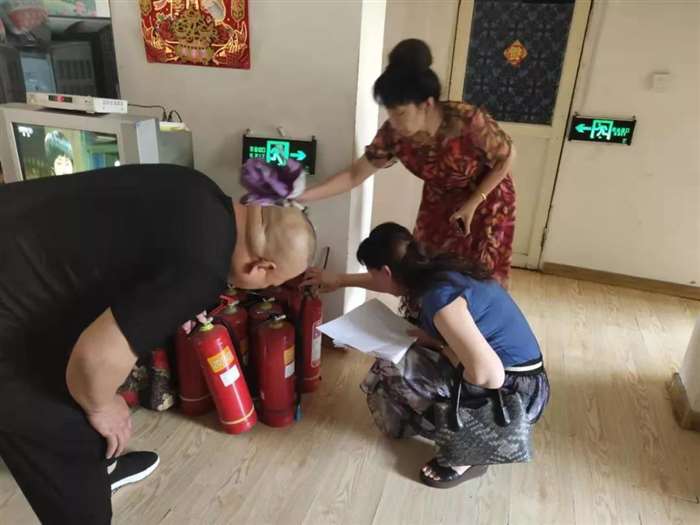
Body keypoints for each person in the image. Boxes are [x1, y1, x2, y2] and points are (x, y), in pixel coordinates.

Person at [0, 164, 316, 524]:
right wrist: (103, 406)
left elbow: (124, 250)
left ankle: (97, 469)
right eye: (274, 282)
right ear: (262, 267)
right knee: (70, 438)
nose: (268, 289)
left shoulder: (200, 186)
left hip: (17, 242)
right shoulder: (202, 271)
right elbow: (93, 360)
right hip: (10, 322)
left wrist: (171, 301)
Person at [307, 223, 548, 488]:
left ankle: (471, 450)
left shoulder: (440, 301)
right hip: (519, 372)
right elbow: (389, 282)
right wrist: (339, 280)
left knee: (395, 366)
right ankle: (430, 421)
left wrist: (436, 343)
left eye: (372, 272)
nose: (372, 278)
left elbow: (489, 376)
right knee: (407, 345)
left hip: (514, 394)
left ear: (386, 271)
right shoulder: (431, 268)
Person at [300, 38, 516, 285]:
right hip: (439, 201)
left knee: (480, 278)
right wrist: (302, 196)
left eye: (401, 113)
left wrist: (474, 201)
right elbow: (353, 175)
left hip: (487, 198)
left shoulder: (467, 121)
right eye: (390, 112)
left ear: (427, 104)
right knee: (423, 269)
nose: (394, 121)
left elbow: (507, 157)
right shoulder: (393, 134)